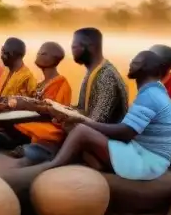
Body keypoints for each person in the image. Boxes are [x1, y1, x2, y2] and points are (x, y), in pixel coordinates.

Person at [42, 50, 171, 181]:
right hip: (145, 153)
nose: (131, 64)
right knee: (72, 127)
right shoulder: (154, 91)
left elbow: (125, 132)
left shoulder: (150, 96)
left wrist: (84, 121)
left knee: (82, 131)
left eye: (136, 62)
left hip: (147, 162)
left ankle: (51, 166)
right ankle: (98, 165)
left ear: (146, 68)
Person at [19, 28, 129, 166]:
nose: (72, 51)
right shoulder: (92, 73)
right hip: (93, 131)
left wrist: (61, 115)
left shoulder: (106, 76)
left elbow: (96, 121)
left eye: (75, 47)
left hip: (109, 142)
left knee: (62, 129)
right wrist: (55, 108)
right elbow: (82, 109)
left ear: (90, 47)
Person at [9, 41, 74, 155]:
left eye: (43, 53)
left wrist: (28, 105)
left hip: (51, 126)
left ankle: (34, 149)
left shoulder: (62, 83)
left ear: (54, 59)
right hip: (35, 119)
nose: (38, 54)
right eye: (39, 52)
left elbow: (57, 113)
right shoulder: (41, 83)